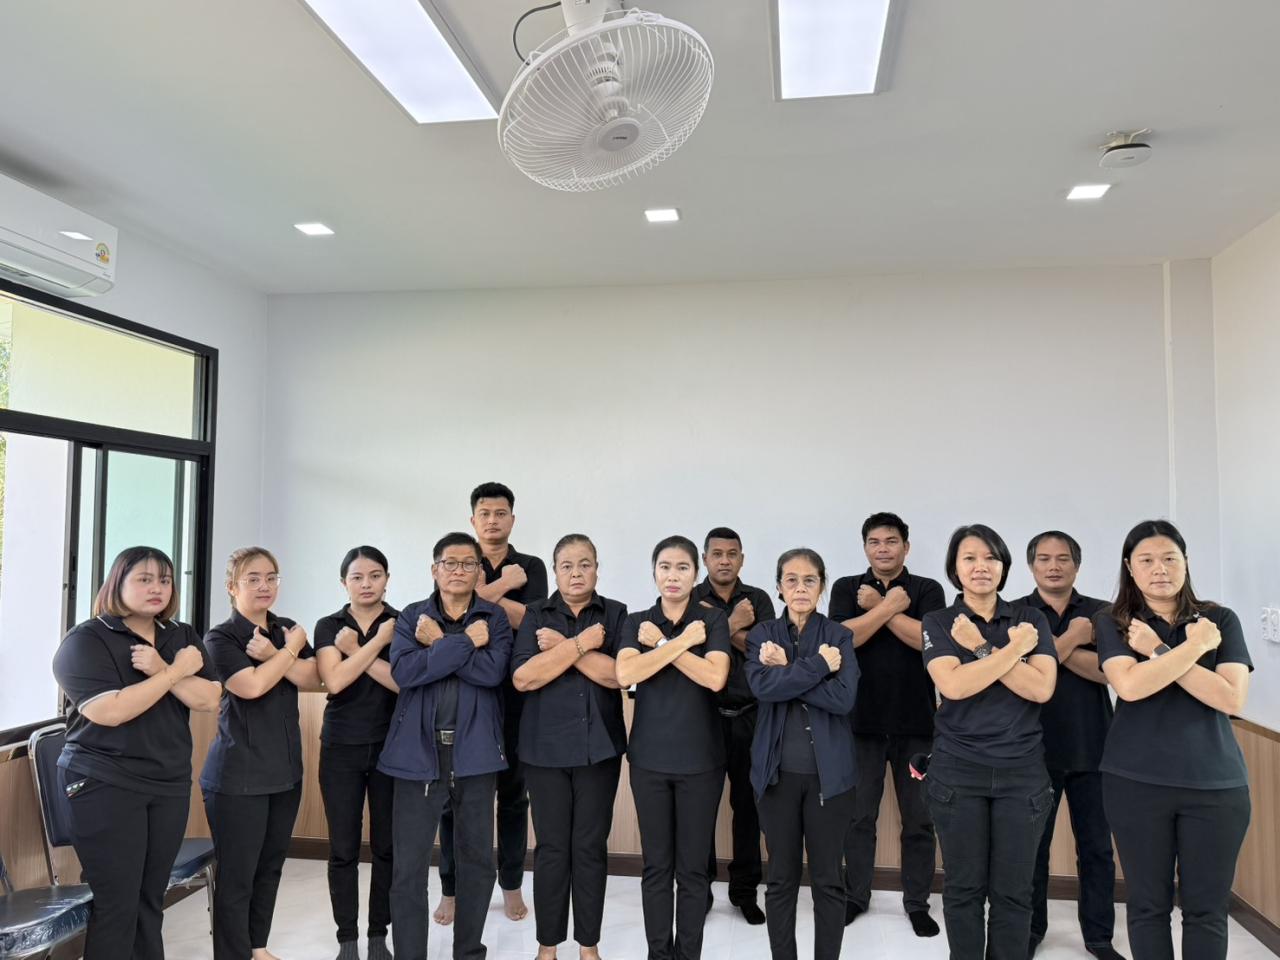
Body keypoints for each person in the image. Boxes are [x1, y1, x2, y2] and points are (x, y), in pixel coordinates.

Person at [51, 546, 221, 960]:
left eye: (164, 580)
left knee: (150, 899)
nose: (157, 588)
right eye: (144, 579)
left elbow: (209, 698)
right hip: (102, 781)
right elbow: (111, 711)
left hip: (167, 782)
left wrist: (162, 668)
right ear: (117, 583)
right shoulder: (86, 640)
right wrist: (176, 671)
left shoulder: (180, 635)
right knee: (118, 903)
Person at [1096, 519, 1252, 960]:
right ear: (1130, 567)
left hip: (1216, 785)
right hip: (1135, 782)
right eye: (1146, 560)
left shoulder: (1219, 620)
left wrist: (1159, 652)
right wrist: (1192, 648)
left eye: (1169, 558)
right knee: (1147, 906)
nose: (1159, 569)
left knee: (1207, 910)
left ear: (1186, 562)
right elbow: (1130, 686)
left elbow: (1230, 698)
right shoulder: (1114, 623)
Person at [920, 524, 1057, 960]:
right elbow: (954, 685)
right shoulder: (940, 621)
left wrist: (979, 648)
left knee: (1014, 892)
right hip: (957, 772)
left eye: (991, 558)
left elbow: (1041, 689)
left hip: (1023, 773)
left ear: (1004, 566)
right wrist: (1012, 653)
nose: (981, 566)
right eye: (970, 558)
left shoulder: (1030, 620)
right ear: (954, 568)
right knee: (963, 889)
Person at [377, 532, 513, 960]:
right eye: (449, 563)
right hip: (417, 756)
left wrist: (438, 644)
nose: (458, 571)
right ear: (434, 570)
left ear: (479, 571)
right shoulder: (412, 617)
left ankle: (469, 952)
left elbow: (491, 673)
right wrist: (466, 644)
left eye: (468, 563)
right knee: (409, 868)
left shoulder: (494, 618)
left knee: (478, 863)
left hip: (476, 756)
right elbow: (405, 673)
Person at [200, 547, 321, 960]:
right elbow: (250, 686)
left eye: (271, 577)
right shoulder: (220, 638)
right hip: (238, 776)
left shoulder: (285, 629)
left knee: (270, 868)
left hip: (284, 771)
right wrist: (287, 653)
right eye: (253, 578)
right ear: (232, 587)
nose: (264, 585)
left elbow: (313, 679)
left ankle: (257, 948)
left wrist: (276, 656)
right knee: (238, 878)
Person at [436, 481, 547, 925]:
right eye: (485, 513)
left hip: (518, 695)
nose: (493, 520)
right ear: (473, 519)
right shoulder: (459, 560)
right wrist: (505, 586)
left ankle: (512, 885)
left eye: (501, 513)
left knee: (514, 798)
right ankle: (450, 888)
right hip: (465, 694)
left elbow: (533, 621)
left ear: (512, 520)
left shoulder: (531, 566)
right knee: (454, 798)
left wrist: (484, 594)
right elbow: (451, 613)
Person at [512, 534, 627, 960]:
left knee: (590, 848)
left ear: (597, 568)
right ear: (555, 571)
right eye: (567, 565)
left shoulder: (615, 613)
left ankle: (588, 945)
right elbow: (524, 678)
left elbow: (617, 675)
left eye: (584, 564)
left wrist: (560, 648)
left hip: (600, 750)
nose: (576, 573)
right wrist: (580, 645)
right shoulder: (535, 614)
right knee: (551, 849)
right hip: (543, 751)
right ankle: (548, 946)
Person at [828, 511, 944, 934]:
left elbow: (929, 642)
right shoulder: (846, 588)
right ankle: (855, 896)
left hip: (917, 725)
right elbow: (844, 640)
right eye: (874, 542)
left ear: (906, 547)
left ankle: (917, 903)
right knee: (858, 817)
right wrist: (892, 609)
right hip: (860, 724)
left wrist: (881, 607)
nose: (883, 549)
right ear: (865, 548)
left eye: (891, 541)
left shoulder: (927, 589)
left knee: (920, 820)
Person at [616, 535, 730, 960]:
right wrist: (680, 643)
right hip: (649, 760)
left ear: (695, 573)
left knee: (693, 870)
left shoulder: (712, 621)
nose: (673, 575)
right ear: (654, 573)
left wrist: (662, 646)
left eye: (682, 567)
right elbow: (626, 672)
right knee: (656, 867)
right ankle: (658, 954)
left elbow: (714, 678)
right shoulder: (638, 621)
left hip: (701, 761)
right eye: (665, 567)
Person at [745, 547, 858, 960]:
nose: (800, 588)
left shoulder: (839, 636)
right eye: (791, 580)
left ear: (821, 586)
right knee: (780, 880)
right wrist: (817, 667)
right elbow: (764, 688)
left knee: (828, 881)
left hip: (831, 780)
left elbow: (843, 699)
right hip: (776, 778)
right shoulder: (761, 635)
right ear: (779, 587)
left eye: (809, 580)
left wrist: (788, 666)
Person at [1014, 532, 1122, 960]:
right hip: (1031, 749)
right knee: (1031, 850)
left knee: (1097, 849)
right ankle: (1030, 930)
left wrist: (1047, 651)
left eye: (1063, 558)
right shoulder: (1016, 612)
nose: (1053, 566)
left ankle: (1099, 937)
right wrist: (1076, 637)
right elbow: (1013, 672)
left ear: (1077, 565)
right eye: (1044, 558)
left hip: (1094, 746)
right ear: (1031, 566)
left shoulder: (1103, 613)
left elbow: (1112, 673)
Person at [314, 546, 401, 960]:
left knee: (386, 847)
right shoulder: (329, 625)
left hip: (392, 748)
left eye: (375, 575)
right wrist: (375, 644)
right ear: (343, 582)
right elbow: (334, 681)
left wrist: (354, 651)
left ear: (387, 579)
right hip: (341, 747)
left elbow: (404, 683)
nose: (367, 584)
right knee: (343, 848)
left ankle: (378, 934)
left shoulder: (402, 622)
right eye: (357, 577)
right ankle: (347, 938)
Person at [693, 526, 774, 923]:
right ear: (705, 559)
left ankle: (744, 893)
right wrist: (735, 624)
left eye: (732, 554)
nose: (724, 560)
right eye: (717, 554)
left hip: (751, 716)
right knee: (701, 808)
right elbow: (687, 648)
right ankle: (700, 890)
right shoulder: (690, 597)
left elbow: (766, 651)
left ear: (742, 559)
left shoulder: (758, 599)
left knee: (749, 808)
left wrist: (720, 625)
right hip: (703, 717)